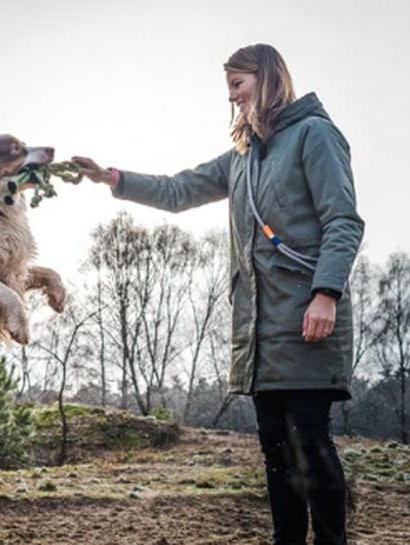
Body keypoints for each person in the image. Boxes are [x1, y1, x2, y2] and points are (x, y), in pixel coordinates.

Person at [73, 43, 364, 545]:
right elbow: (177, 190)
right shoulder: (242, 156)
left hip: (307, 319)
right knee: (277, 454)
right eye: (228, 88)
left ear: (268, 79)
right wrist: (113, 179)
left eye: (238, 85)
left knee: (311, 443)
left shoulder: (316, 135)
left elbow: (343, 221)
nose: (232, 98)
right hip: (259, 333)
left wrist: (326, 294)